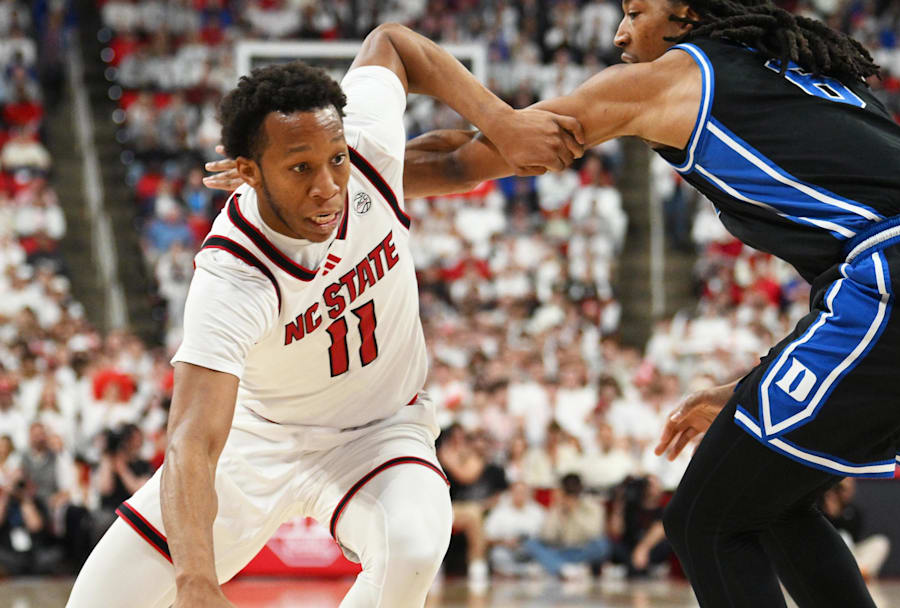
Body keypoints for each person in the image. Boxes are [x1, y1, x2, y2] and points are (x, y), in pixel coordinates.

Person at [386, 1, 900, 605]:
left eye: (636, 13)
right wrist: (751, 384)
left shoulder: (680, 74)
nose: (618, 34)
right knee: (772, 505)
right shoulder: (794, 72)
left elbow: (468, 159)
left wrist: (351, 172)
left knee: (705, 523)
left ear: (686, 16)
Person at [67, 23, 583, 608]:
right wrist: (195, 581)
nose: (328, 186)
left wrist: (504, 121)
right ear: (248, 171)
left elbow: (393, 43)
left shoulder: (365, 151)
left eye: (335, 159)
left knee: (413, 548)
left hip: (381, 432)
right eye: (299, 168)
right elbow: (192, 441)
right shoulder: (232, 274)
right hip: (260, 442)